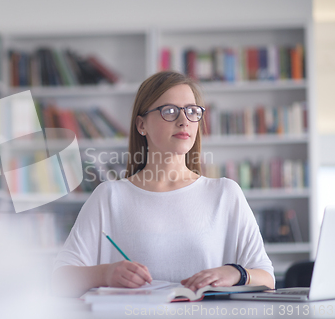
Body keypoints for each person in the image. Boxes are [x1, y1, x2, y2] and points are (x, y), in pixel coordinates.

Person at [50, 71, 275, 297]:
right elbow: (59, 279)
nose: (183, 120)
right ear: (141, 125)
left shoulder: (225, 193)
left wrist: (236, 273)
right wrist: (105, 274)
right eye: (169, 111)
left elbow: (267, 278)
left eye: (192, 111)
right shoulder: (109, 197)